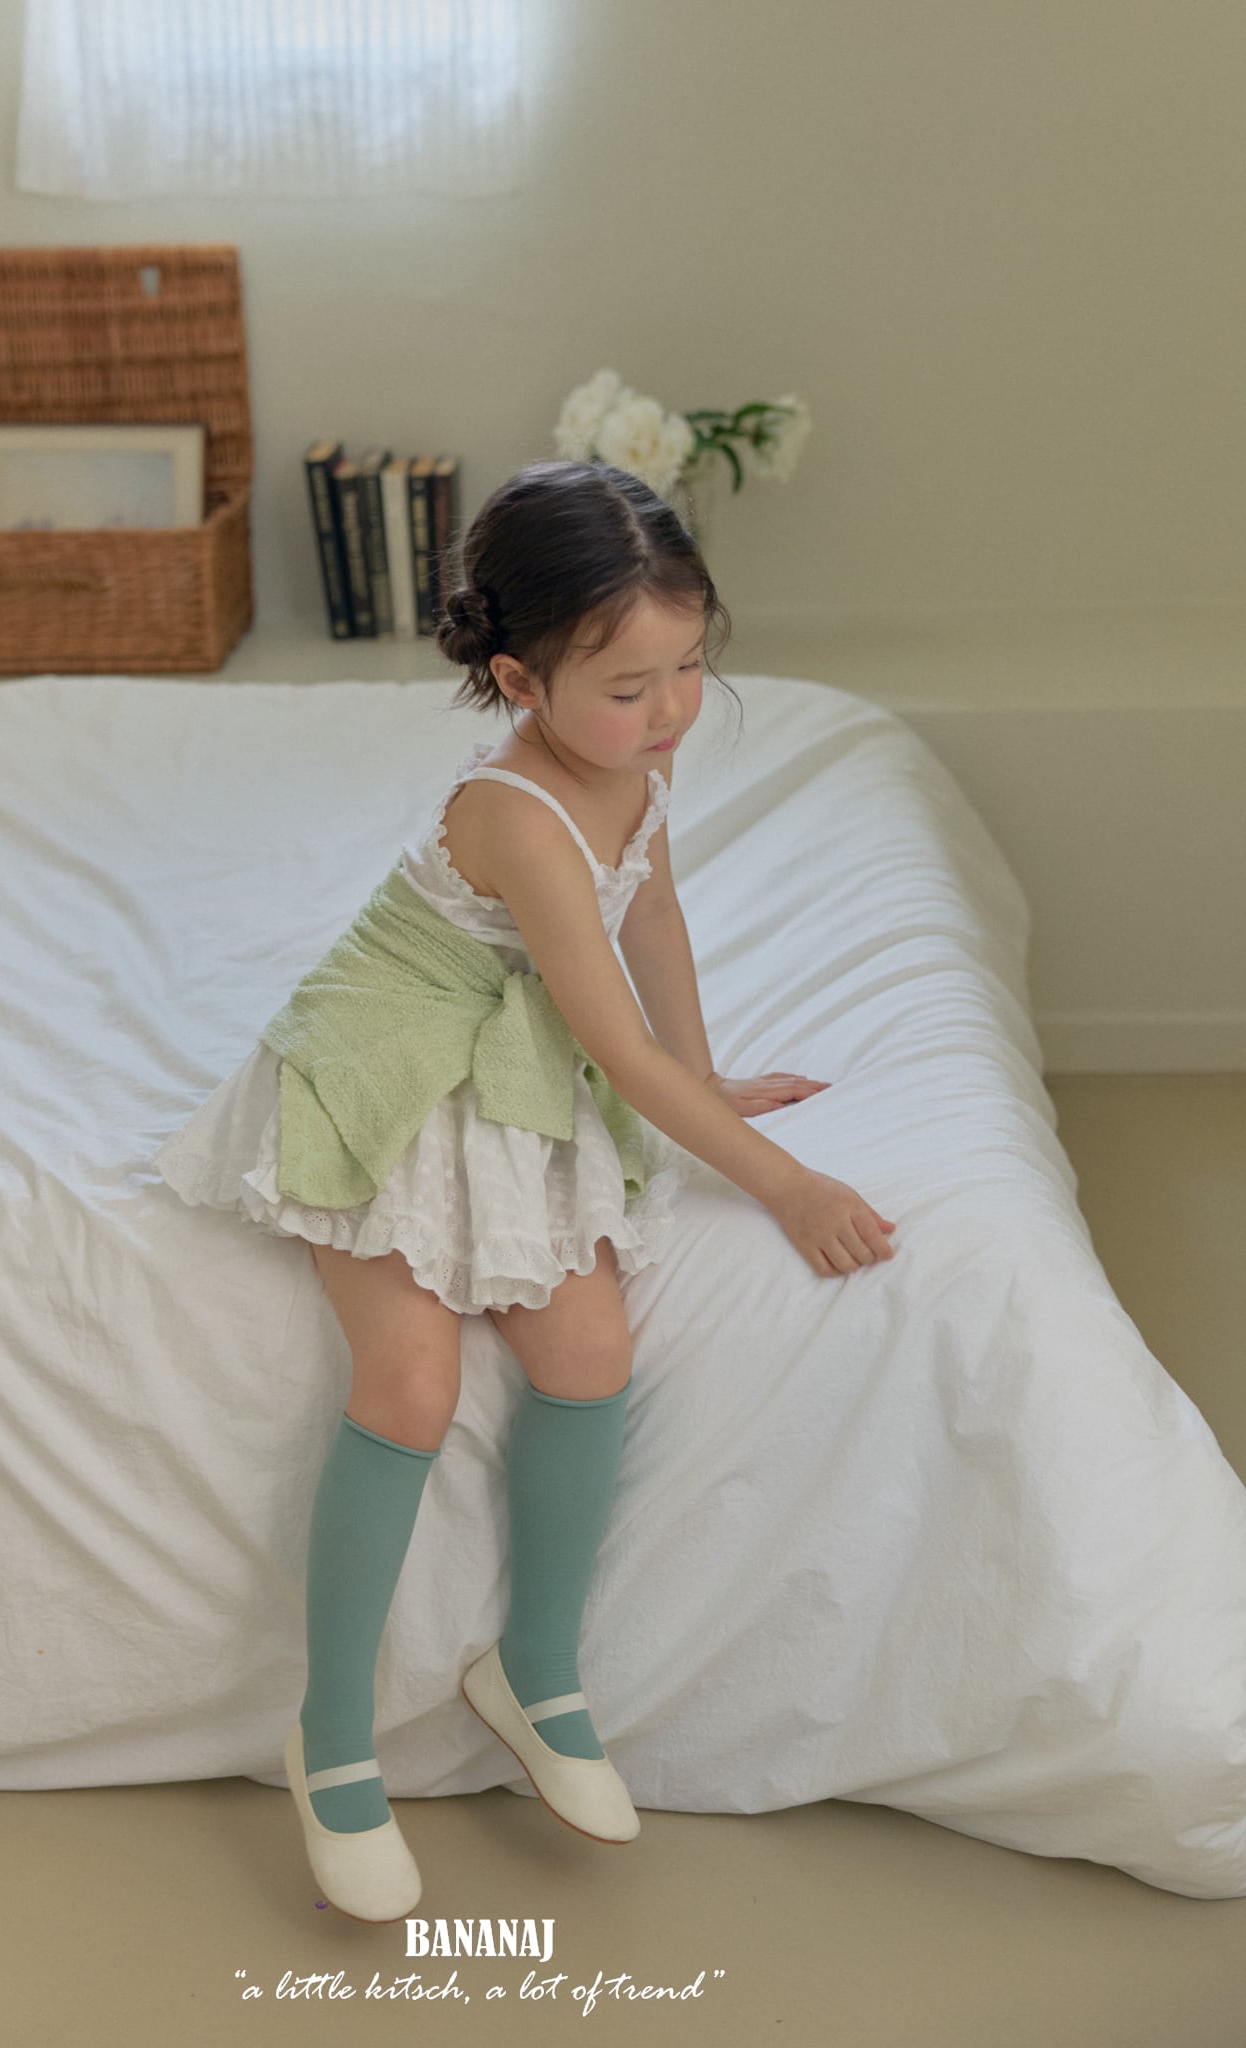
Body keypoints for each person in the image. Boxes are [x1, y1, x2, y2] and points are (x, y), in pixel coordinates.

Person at [152, 458, 898, 1924]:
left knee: (591, 1354)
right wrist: (783, 1184)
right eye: (629, 687)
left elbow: (654, 919)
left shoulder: (638, 762)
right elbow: (611, 1045)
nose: (670, 710)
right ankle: (330, 1734)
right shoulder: (513, 812)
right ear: (516, 679)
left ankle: (534, 1663)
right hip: (384, 1069)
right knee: (411, 1385)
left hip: (505, 1056)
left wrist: (709, 1078)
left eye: (689, 667)